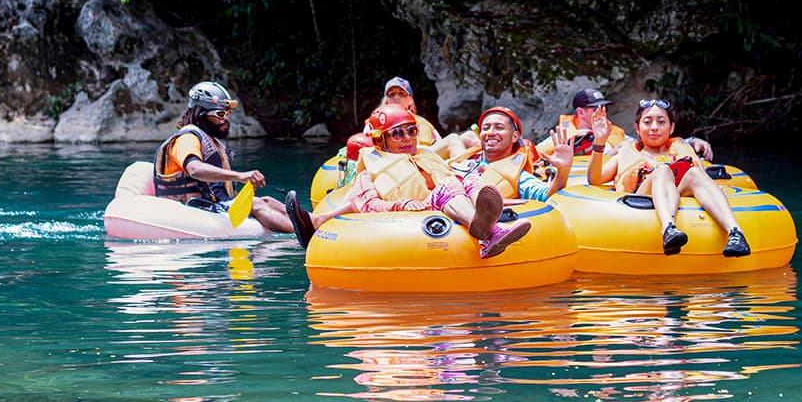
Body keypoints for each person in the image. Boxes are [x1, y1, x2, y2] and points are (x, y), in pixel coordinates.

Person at [285, 103, 530, 258]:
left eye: (412, 131)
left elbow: (453, 178)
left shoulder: (427, 156)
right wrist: (401, 205)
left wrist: (500, 202)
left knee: (469, 179)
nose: (408, 138)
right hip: (418, 212)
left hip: (446, 203)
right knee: (449, 186)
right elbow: (369, 206)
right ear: (381, 141)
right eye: (398, 134)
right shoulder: (368, 172)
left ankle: (489, 223)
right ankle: (488, 232)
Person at [586, 99, 750, 257]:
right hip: (640, 197)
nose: (654, 127)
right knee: (663, 170)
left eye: (661, 122)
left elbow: (703, 178)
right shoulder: (626, 152)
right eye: (648, 122)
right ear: (637, 128)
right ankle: (668, 228)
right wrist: (599, 142)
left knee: (694, 173)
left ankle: (735, 233)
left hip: (676, 192)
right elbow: (595, 180)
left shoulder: (682, 148)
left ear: (671, 127)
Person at [153, 81, 294, 233]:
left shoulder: (211, 141)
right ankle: (308, 236)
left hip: (213, 205)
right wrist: (240, 176)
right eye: (220, 114)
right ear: (200, 114)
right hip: (193, 209)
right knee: (257, 204)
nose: (226, 118)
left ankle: (314, 221)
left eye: (228, 113)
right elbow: (194, 169)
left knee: (268, 201)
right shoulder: (186, 138)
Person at [537, 87, 714, 163]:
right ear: (581, 113)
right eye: (595, 109)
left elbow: (647, 141)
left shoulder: (614, 131)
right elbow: (536, 153)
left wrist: (689, 141)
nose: (602, 112)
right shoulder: (563, 134)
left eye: (604, 107)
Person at [449, 106, 576, 202]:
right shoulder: (468, 159)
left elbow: (546, 195)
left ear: (514, 136)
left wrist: (563, 170)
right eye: (486, 128)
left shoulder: (517, 175)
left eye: (499, 127)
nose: (490, 132)